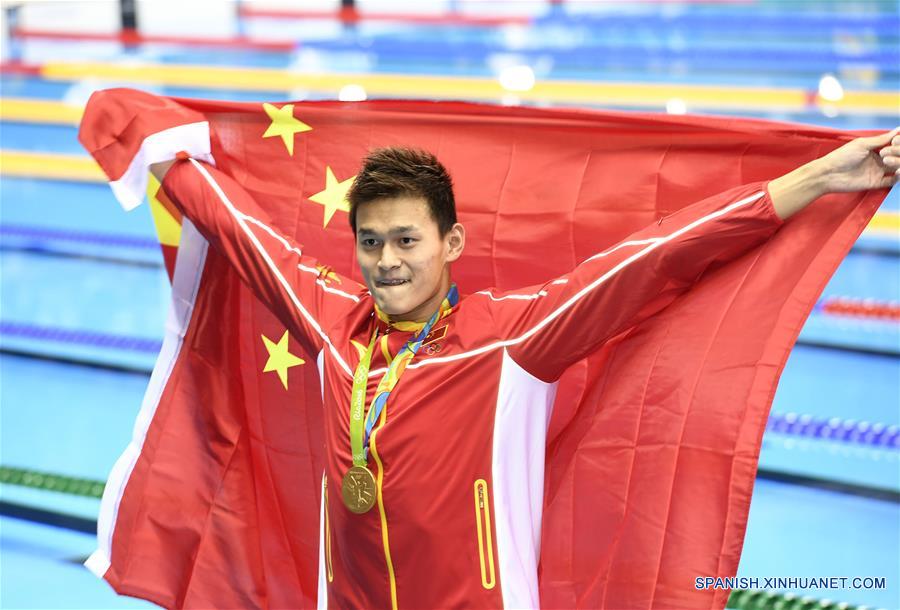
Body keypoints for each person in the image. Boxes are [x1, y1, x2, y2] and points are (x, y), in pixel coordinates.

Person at [149, 131, 899, 609]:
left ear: (453, 242)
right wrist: (163, 152)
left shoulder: (509, 340)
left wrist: (822, 178)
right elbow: (244, 236)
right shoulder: (332, 326)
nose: (387, 262)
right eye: (371, 243)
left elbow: (659, 257)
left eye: (407, 239)